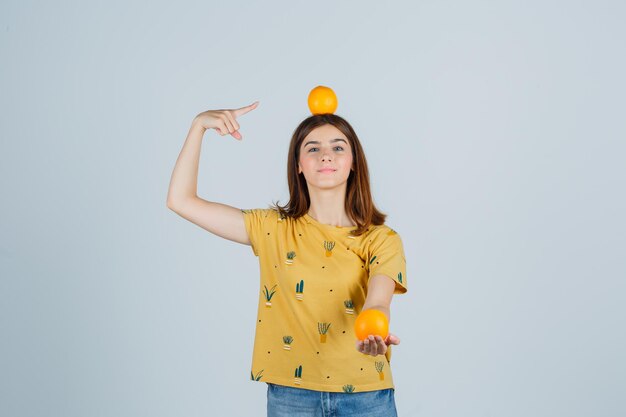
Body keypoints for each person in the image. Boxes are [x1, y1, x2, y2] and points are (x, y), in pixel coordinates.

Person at [166, 100, 408, 417]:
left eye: (338, 147)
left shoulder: (381, 239)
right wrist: (198, 125)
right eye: (312, 148)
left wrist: (375, 331)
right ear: (298, 164)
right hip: (292, 397)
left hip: (365, 395)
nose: (325, 155)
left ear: (353, 163)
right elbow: (180, 201)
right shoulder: (272, 229)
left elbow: (378, 300)